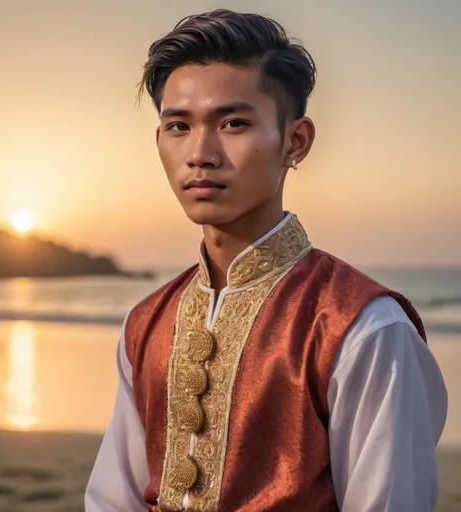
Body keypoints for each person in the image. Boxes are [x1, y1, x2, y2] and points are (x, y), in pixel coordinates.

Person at [85, 9, 448, 512]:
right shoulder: (145, 324)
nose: (200, 153)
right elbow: (111, 499)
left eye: (233, 123)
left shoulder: (362, 328)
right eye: (178, 126)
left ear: (295, 142)